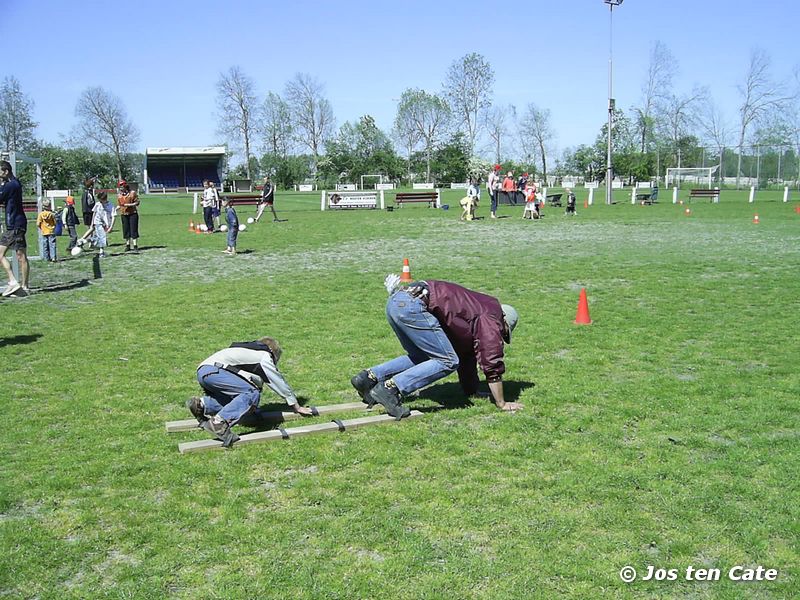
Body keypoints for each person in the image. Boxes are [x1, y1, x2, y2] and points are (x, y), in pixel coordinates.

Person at [351, 279, 522, 419]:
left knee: (423, 356)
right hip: (414, 305)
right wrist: (502, 403)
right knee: (448, 361)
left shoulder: (475, 307)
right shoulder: (491, 316)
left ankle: (367, 378)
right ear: (504, 322)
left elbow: (466, 353)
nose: (500, 335)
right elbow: (491, 359)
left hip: (398, 301)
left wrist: (472, 391)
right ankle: (390, 389)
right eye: (504, 333)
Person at [187, 336, 314, 447]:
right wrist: (296, 406)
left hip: (204, 371)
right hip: (217, 371)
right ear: (273, 352)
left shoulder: (248, 351)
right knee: (251, 393)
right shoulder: (264, 355)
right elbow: (276, 380)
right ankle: (218, 423)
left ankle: (202, 405)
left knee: (238, 398)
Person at [0, 160, 29, 296]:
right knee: (19, 255)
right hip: (16, 224)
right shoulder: (14, 183)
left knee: (19, 256)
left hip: (15, 225)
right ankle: (19, 285)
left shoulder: (10, 185)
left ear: (5, 171)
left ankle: (17, 284)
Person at [117, 180, 140, 252]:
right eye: (119, 186)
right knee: (126, 229)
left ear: (125, 186)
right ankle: (128, 245)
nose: (121, 188)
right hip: (124, 214)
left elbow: (137, 202)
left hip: (133, 213)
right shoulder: (119, 195)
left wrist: (129, 205)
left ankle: (135, 245)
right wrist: (116, 209)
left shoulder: (132, 193)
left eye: (122, 186)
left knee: (133, 229)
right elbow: (120, 205)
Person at [92, 192, 111, 257]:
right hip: (97, 222)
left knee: (101, 236)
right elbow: (94, 213)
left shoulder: (109, 205)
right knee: (102, 236)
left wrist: (109, 225)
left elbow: (112, 215)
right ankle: (101, 252)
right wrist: (92, 223)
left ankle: (90, 241)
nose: (100, 201)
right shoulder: (97, 204)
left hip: (105, 223)